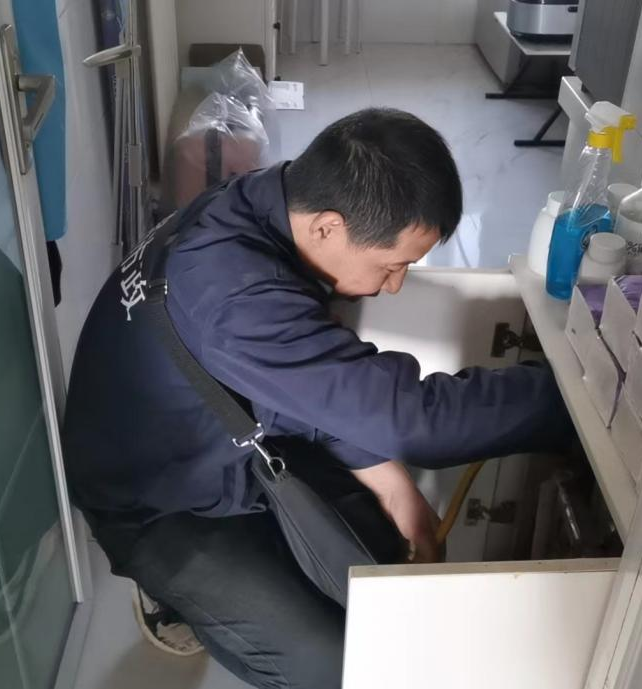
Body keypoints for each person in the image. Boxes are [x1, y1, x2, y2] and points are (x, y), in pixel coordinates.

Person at [63, 108, 573, 688]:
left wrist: (389, 480)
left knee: (381, 561)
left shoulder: (269, 201)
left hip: (227, 427)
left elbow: (299, 375)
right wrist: (577, 395)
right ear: (329, 227)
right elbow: (413, 419)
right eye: (392, 265)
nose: (394, 285)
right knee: (327, 665)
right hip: (157, 498)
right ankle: (173, 599)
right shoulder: (233, 294)